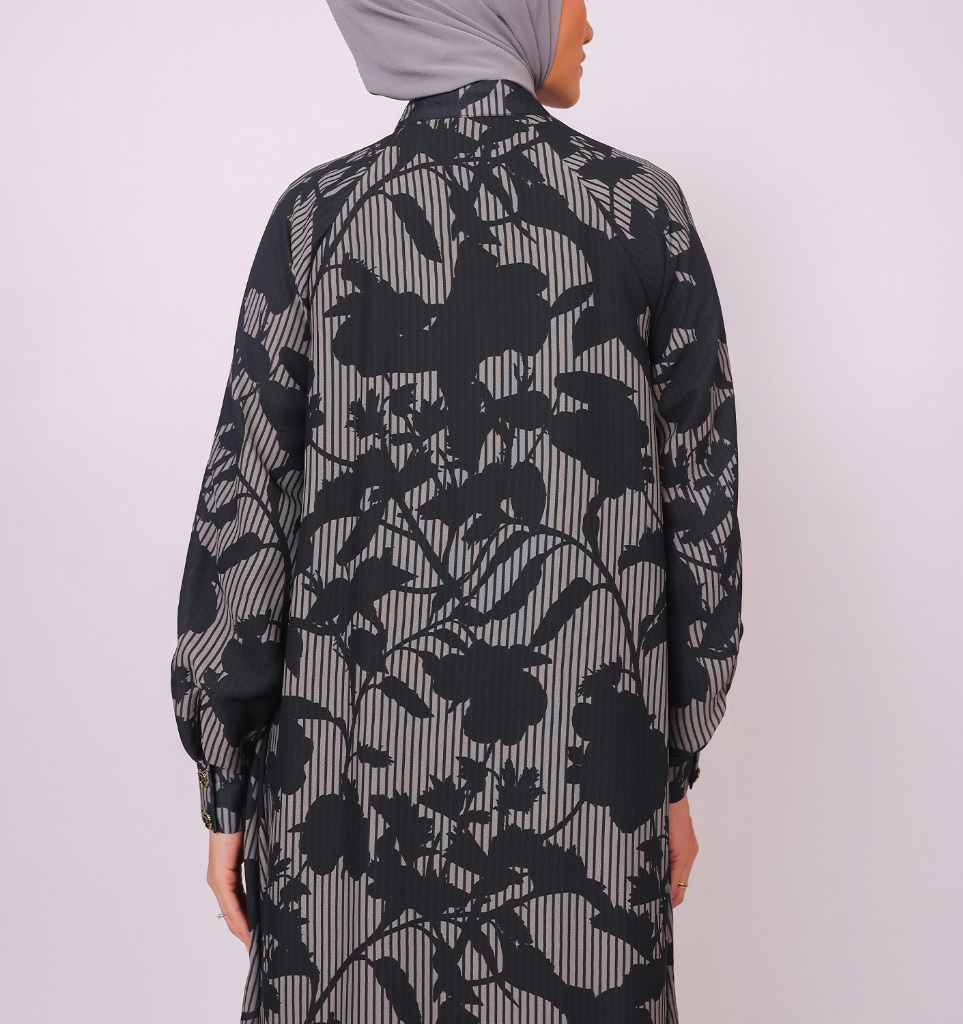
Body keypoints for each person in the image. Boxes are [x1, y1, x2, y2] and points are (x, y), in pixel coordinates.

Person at [169, 1, 744, 1020]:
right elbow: (700, 521)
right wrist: (666, 771)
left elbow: (246, 515)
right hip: (586, 796)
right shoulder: (637, 211)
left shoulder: (318, 218)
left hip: (344, 796)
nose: (590, 23)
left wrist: (227, 789)